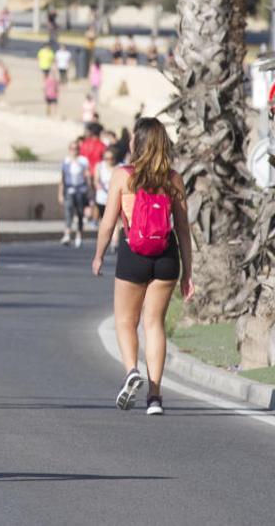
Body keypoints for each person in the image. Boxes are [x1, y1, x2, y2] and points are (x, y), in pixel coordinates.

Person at [92, 117, 193, 416]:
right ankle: (155, 397)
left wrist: (98, 256)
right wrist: (188, 272)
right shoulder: (173, 179)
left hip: (133, 254)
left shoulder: (123, 176)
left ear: (138, 143)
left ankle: (130, 371)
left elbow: (108, 222)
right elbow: (184, 229)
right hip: (166, 256)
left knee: (125, 321)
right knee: (154, 324)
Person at [58, 141, 91, 248]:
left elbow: (87, 176)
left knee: (80, 213)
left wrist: (89, 192)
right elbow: (62, 178)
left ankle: (79, 235)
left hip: (80, 190)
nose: (74, 150)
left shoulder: (83, 161)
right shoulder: (65, 161)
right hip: (69, 189)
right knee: (68, 211)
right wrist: (60, 194)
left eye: (76, 148)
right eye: (72, 148)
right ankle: (67, 234)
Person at [94, 148, 118, 242]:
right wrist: (97, 185)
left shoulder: (119, 167)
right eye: (106, 158)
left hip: (114, 198)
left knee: (115, 220)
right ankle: (102, 238)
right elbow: (96, 180)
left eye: (111, 158)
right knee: (103, 220)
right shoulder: (100, 166)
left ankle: (114, 241)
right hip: (102, 198)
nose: (109, 160)